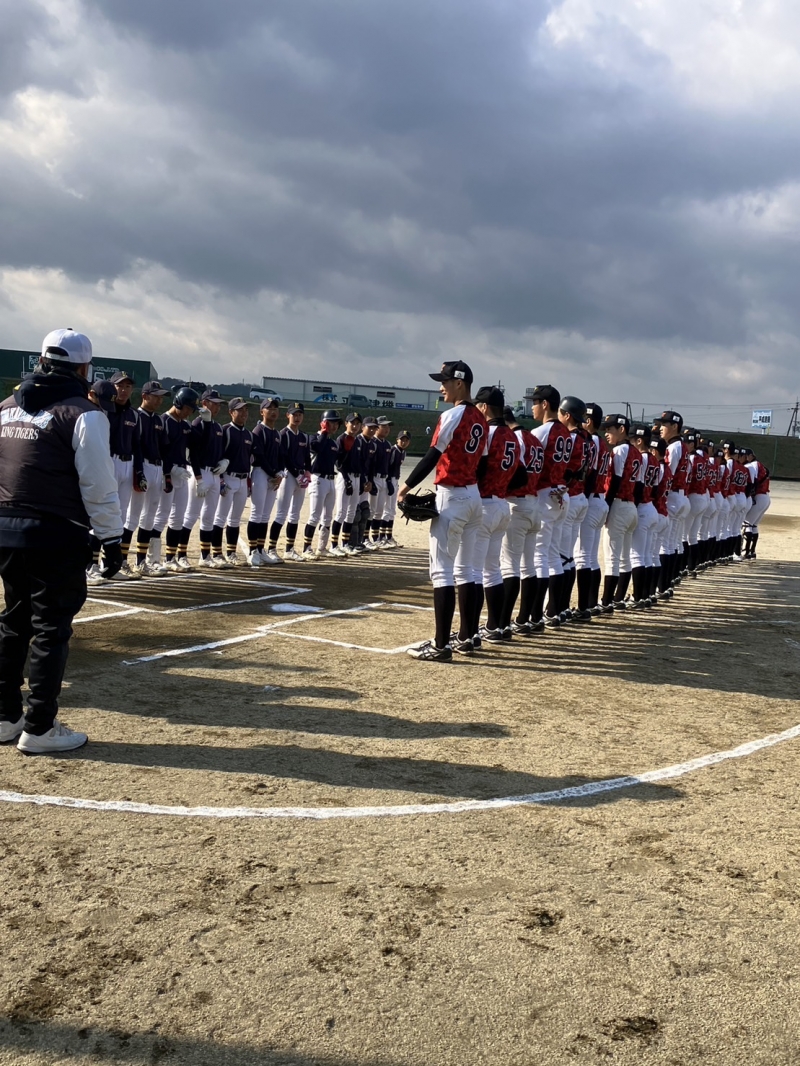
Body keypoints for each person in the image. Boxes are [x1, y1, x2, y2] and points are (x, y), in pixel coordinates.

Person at [0, 328, 123, 754]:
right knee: (51, 628)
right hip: (55, 531)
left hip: (6, 528)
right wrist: (111, 537)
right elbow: (98, 483)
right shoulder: (83, 413)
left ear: (40, 361)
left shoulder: (5, 408)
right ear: (84, 369)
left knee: (12, 622)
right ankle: (39, 726)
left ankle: (4, 716)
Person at [398, 360, 488, 661]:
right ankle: (468, 637)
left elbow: (432, 455)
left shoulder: (452, 415)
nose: (441, 387)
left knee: (442, 571)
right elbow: (483, 463)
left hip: (453, 494)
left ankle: (441, 645)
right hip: (474, 495)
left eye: (445, 381)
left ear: (459, 383)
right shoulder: (481, 419)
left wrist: (405, 486)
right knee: (469, 570)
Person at [124, 381, 171, 576]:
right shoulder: (137, 416)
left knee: (149, 516)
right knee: (133, 515)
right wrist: (138, 471)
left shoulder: (159, 420)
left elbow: (165, 448)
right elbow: (135, 446)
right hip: (142, 466)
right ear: (144, 396)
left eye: (161, 397)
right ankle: (121, 561)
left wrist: (167, 474)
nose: (159, 400)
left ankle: (141, 561)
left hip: (157, 467)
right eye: (155, 396)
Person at [151, 386, 199, 571]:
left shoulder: (185, 425)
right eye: (187, 408)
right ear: (178, 403)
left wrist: (206, 422)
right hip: (167, 473)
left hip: (182, 473)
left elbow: (199, 443)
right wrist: (170, 468)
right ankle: (153, 558)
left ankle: (170, 558)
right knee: (161, 516)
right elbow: (158, 450)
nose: (189, 413)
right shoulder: (164, 421)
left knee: (178, 517)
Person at [184, 389, 227, 569]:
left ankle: (205, 555)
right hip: (200, 471)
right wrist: (199, 478)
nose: (217, 407)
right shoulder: (198, 423)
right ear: (204, 403)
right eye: (213, 403)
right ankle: (180, 554)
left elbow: (219, 450)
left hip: (214, 473)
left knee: (209, 516)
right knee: (191, 515)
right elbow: (194, 452)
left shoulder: (218, 427)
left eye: (218, 404)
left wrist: (224, 461)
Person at [211, 398, 254, 564]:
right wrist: (221, 480)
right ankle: (216, 553)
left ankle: (231, 553)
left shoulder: (249, 434)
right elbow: (218, 456)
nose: (244, 413)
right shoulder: (226, 431)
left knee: (235, 519)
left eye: (245, 410)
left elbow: (248, 459)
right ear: (231, 412)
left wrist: (248, 481)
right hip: (229, 477)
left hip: (242, 479)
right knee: (220, 517)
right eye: (240, 410)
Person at [267, 402, 311, 561]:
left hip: (301, 477)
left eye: (299, 414)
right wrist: (297, 475)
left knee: (295, 514)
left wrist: (307, 473)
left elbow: (307, 457)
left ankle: (289, 549)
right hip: (288, 476)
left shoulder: (304, 436)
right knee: (281, 513)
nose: (297, 417)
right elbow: (285, 457)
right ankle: (271, 548)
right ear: (288, 415)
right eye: (294, 414)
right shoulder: (283, 434)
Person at [247, 396, 284, 565]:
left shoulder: (276, 433)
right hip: (261, 473)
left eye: (275, 408)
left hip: (272, 476)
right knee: (256, 513)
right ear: (262, 412)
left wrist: (280, 473)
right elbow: (260, 457)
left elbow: (280, 456)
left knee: (265, 515)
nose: (273, 411)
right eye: (269, 408)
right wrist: (273, 473)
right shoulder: (259, 430)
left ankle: (261, 550)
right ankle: (252, 551)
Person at [301, 410, 341, 559]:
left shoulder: (333, 442)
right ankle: (306, 548)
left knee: (328, 517)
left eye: (336, 423)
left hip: (330, 480)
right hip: (317, 479)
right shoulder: (314, 438)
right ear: (323, 423)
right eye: (331, 422)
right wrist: (323, 432)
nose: (334, 426)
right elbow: (316, 448)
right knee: (314, 516)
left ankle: (322, 548)